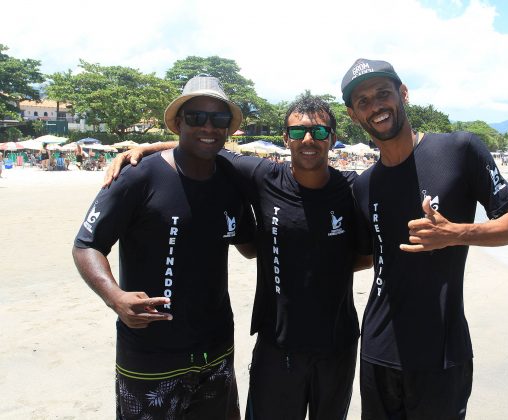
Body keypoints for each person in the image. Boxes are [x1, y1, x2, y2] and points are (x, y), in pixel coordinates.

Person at [105, 94, 373, 419]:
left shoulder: (353, 188)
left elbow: (365, 257)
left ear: (332, 137)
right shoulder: (263, 177)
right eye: (298, 131)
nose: (308, 140)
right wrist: (150, 148)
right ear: (285, 137)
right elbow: (205, 145)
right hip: (277, 344)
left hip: (338, 345)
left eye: (319, 132)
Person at [340, 58, 508, 419]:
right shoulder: (364, 184)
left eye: (383, 94)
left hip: (442, 352)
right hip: (377, 351)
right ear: (353, 115)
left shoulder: (460, 151)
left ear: (403, 94)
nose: (375, 106)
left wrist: (456, 233)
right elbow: (367, 256)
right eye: (363, 101)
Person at [73, 75, 255, 419]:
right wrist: (115, 297)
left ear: (229, 127)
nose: (208, 126)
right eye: (196, 117)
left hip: (214, 348)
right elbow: (86, 244)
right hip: (150, 352)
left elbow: (248, 246)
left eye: (219, 119)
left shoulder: (232, 180)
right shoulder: (138, 176)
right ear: (179, 122)